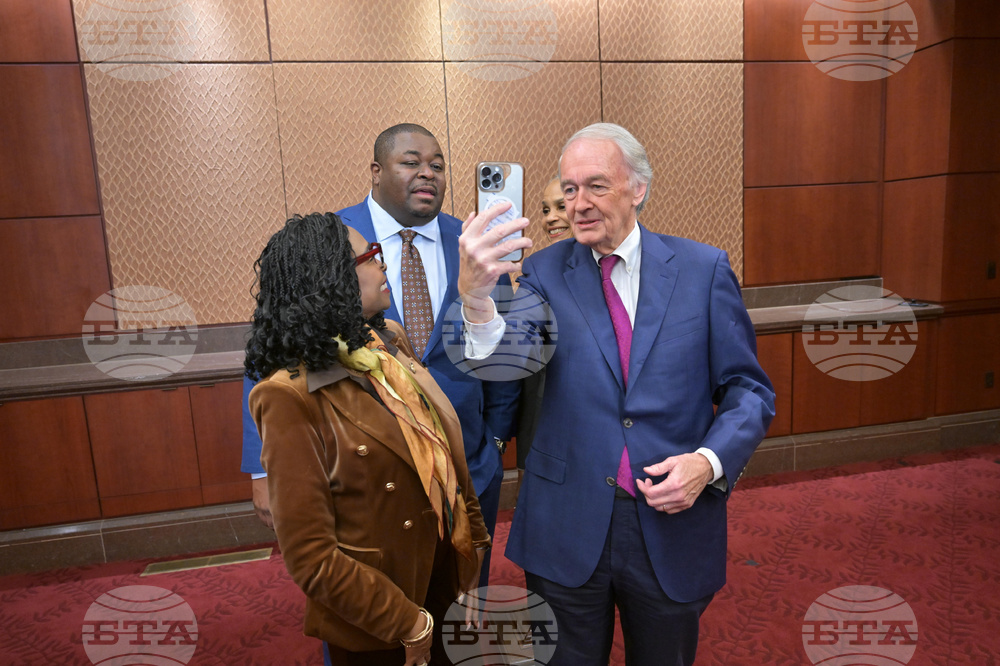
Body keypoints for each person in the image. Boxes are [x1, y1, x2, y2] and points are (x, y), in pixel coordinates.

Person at [457, 123, 775, 665]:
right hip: (565, 522)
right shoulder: (542, 273)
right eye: (570, 188)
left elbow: (749, 390)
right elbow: (507, 358)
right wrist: (477, 300)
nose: (578, 203)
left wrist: (708, 463)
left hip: (671, 518)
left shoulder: (703, 270)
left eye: (596, 186)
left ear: (638, 188)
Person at [241, 124, 519, 588]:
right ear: (376, 170)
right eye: (411, 162)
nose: (427, 173)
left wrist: (494, 441)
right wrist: (261, 466)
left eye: (437, 165)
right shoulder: (331, 239)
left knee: (465, 594)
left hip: (468, 461)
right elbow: (274, 346)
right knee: (373, 593)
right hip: (365, 472)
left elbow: (506, 350)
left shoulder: (474, 243)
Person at [246, 212, 489, 666]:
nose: (383, 263)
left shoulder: (386, 342)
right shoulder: (287, 396)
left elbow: (440, 451)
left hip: (441, 573)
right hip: (379, 613)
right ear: (332, 278)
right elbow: (312, 558)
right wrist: (407, 623)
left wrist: (470, 549)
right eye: (371, 255)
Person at [515, 177, 572, 472]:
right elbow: (516, 347)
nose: (551, 218)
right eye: (545, 210)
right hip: (545, 412)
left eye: (561, 207)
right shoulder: (535, 270)